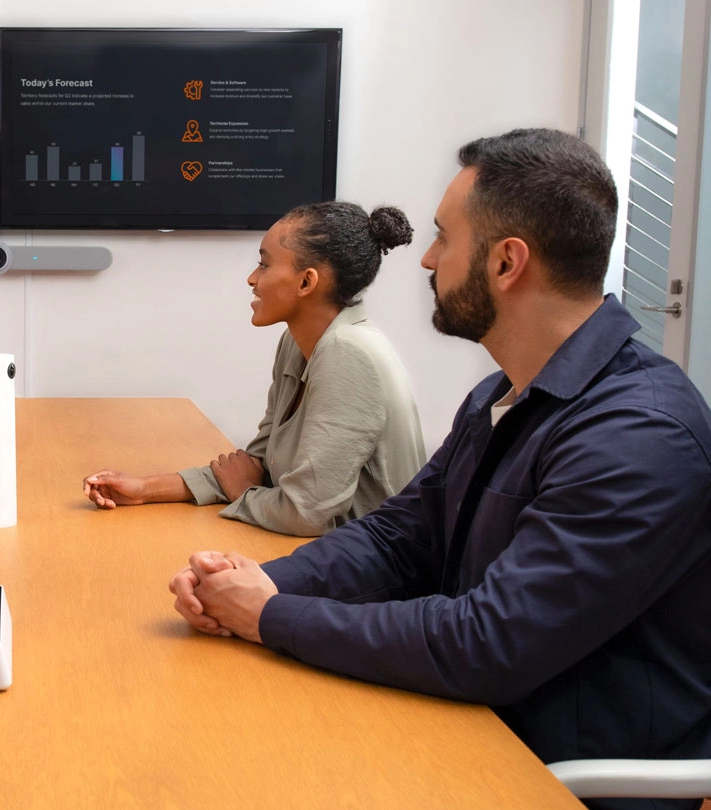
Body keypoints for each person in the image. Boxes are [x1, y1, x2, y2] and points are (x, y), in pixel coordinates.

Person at [169, 129, 711, 807]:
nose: (426, 258)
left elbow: (490, 643)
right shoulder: (503, 394)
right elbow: (400, 536)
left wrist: (269, 616)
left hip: (546, 777)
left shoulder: (640, 434)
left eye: (444, 238)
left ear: (507, 262)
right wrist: (253, 582)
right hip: (460, 727)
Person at [84, 202, 426, 537]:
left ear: (306, 282)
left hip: (374, 579)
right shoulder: (298, 343)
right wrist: (144, 488)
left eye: (264, 265)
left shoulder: (348, 353)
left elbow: (305, 514)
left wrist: (243, 495)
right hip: (333, 555)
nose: (251, 278)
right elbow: (256, 466)